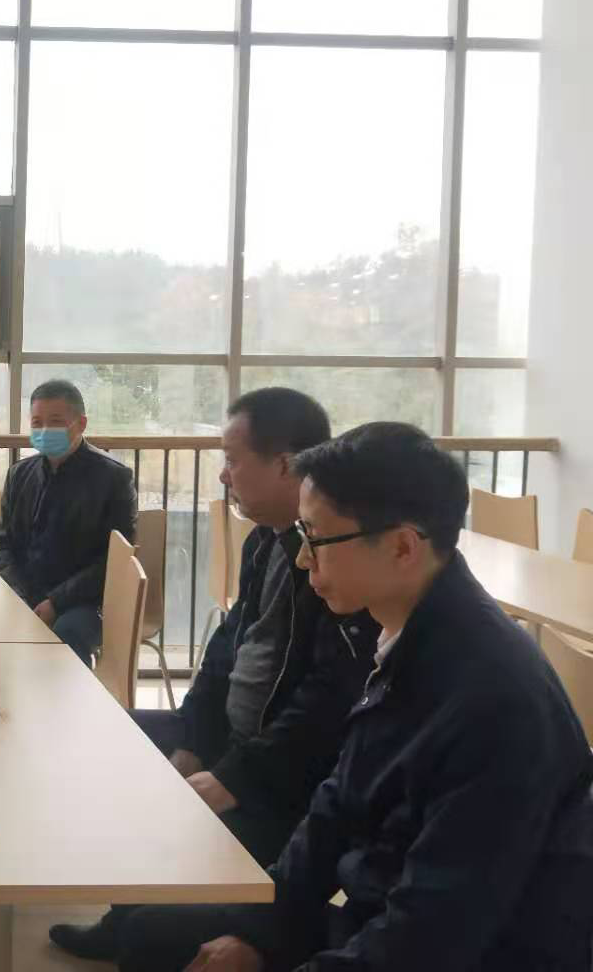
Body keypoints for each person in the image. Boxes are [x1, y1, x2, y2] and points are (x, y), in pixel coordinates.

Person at [116, 422, 593, 972]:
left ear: (402, 547)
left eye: (316, 539)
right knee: (151, 935)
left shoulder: (495, 701)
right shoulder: (399, 633)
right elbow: (335, 808)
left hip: (480, 950)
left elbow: (436, 930)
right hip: (382, 915)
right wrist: (258, 934)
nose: (303, 559)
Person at [52, 387, 377, 962]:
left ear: (285, 465)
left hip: (279, 774)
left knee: (151, 936)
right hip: (234, 738)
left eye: (231, 459)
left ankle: (143, 915)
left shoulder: (335, 566)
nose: (223, 476)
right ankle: (121, 911)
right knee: (111, 741)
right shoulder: (264, 544)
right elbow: (224, 651)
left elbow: (323, 707)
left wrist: (232, 776)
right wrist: (191, 740)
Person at [0, 379, 137, 666]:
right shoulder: (19, 475)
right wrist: (20, 595)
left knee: (65, 637)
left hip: (84, 603)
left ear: (81, 424)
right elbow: (0, 542)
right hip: (24, 593)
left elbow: (114, 560)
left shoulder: (114, 479)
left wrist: (55, 602)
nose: (45, 431)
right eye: (37, 423)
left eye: (55, 422)